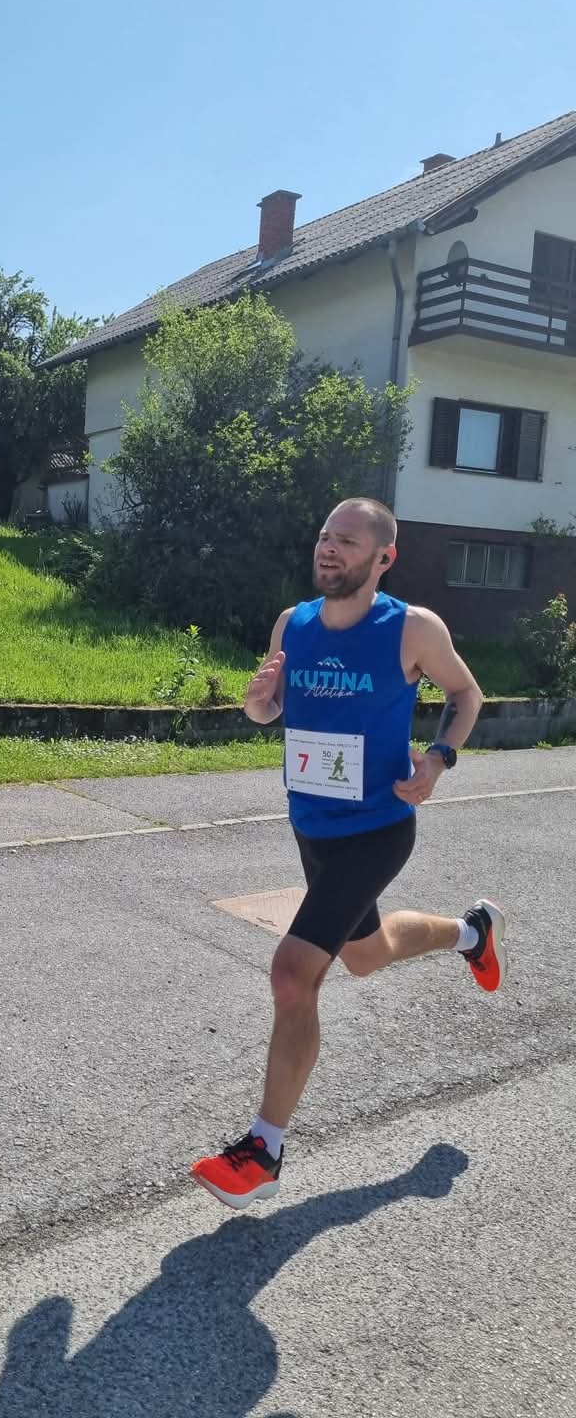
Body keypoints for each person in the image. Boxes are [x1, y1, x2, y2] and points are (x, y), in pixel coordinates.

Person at [190, 497, 507, 1211]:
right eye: (325, 536)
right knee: (365, 955)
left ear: (383, 558)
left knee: (292, 973)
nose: (328, 549)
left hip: (377, 828)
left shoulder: (412, 628)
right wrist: (258, 702)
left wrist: (438, 758)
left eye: (347, 542)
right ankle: (472, 933)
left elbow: (466, 694)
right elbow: (269, 710)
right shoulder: (292, 624)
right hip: (313, 827)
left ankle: (263, 1149)